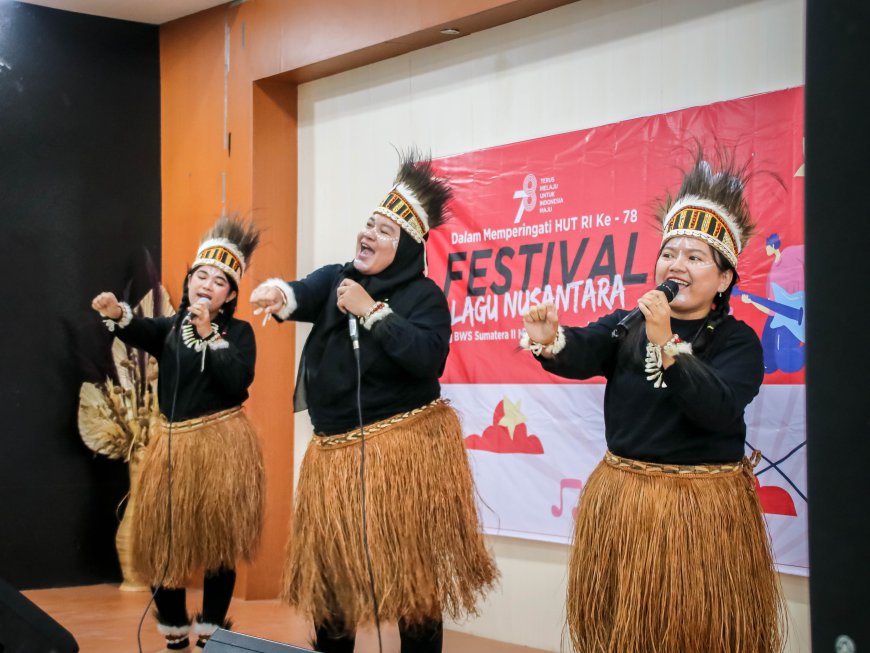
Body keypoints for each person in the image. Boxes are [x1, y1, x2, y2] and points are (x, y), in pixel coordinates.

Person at [521, 152, 784, 652]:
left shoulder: (738, 342)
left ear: (724, 279)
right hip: (628, 502)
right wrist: (551, 338)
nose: (676, 265)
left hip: (702, 515)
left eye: (694, 256)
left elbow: (718, 406)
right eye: (669, 253)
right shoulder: (628, 323)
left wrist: (667, 345)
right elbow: (583, 350)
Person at [250, 152, 496, 653]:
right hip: (336, 459)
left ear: (405, 246)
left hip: (402, 454)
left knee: (413, 585)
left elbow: (428, 357)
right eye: (369, 223)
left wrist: (373, 312)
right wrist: (281, 294)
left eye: (384, 229)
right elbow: (306, 290)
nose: (369, 233)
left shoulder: (423, 297)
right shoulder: (340, 277)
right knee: (334, 585)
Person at [91, 216, 264, 653]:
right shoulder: (170, 328)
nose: (206, 284)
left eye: (219, 280)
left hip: (222, 447)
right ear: (189, 282)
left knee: (218, 545)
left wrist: (208, 333)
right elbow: (139, 329)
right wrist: (116, 314)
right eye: (200, 275)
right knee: (162, 544)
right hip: (172, 449)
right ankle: (172, 628)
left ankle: (212, 632)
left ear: (229, 296)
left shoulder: (238, 333)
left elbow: (237, 381)